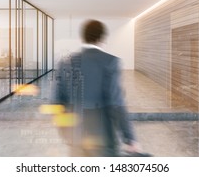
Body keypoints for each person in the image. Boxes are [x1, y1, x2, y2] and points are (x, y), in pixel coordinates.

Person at [53, 19, 141, 157]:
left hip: (75, 136)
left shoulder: (65, 62)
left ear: (83, 37)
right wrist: (130, 138)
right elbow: (116, 103)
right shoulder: (110, 61)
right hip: (103, 138)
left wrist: (66, 132)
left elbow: (58, 102)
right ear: (102, 38)